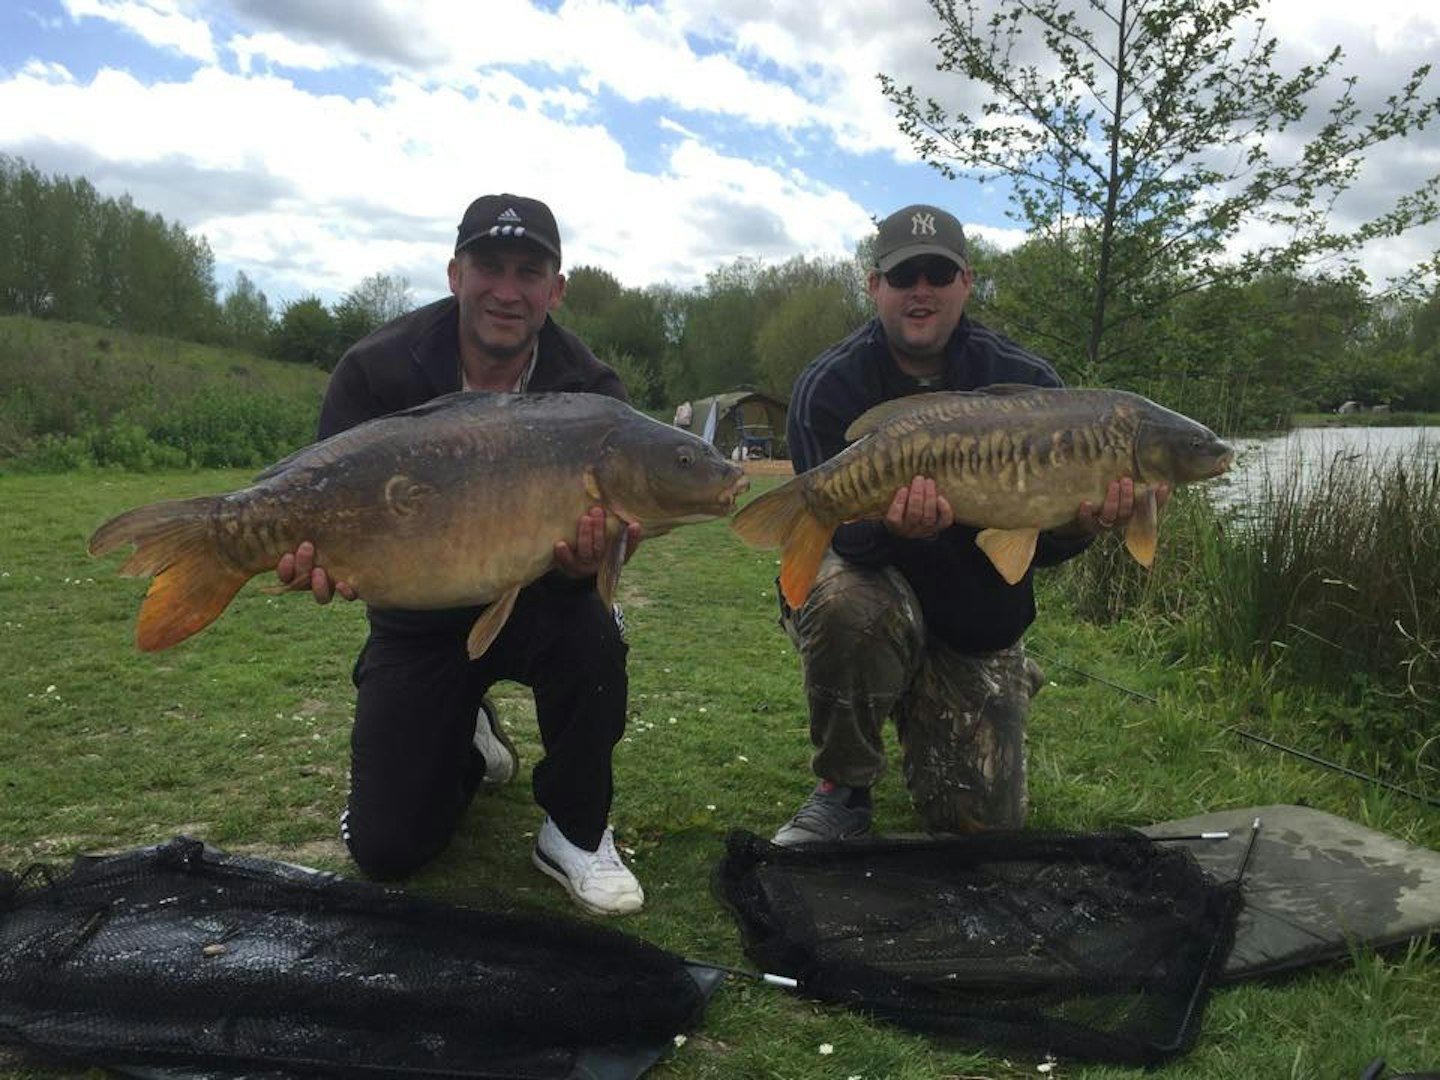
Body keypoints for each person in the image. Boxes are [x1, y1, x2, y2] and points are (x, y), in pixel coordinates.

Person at [275, 194, 646, 915]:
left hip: (545, 602)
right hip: (418, 614)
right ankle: (468, 740)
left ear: (556, 289)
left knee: (596, 639)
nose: (507, 290)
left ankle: (576, 830)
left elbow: (614, 544)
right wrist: (321, 559)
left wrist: (589, 559)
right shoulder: (377, 369)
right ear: (454, 273)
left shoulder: (592, 393)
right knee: (388, 852)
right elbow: (319, 494)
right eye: (489, 267)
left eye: (529, 272)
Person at [772, 203, 1163, 845]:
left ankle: (986, 685)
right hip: (873, 600)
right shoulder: (830, 384)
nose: (921, 290)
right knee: (847, 602)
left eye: (938, 273)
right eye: (904, 276)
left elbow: (1037, 550)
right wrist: (900, 528)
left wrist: (1081, 526)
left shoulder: (1032, 384)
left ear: (966, 282)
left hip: (975, 623)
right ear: (875, 287)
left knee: (984, 831)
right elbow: (844, 540)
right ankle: (843, 788)